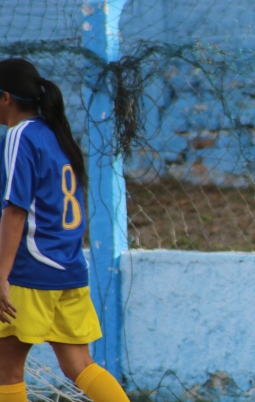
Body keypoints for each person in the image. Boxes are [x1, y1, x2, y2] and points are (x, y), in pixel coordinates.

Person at [0, 58, 130, 402]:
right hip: (70, 269)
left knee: (7, 371)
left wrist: (1, 275)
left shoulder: (19, 135)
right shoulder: (54, 133)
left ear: (6, 98)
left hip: (31, 272)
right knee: (79, 364)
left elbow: (15, 211)